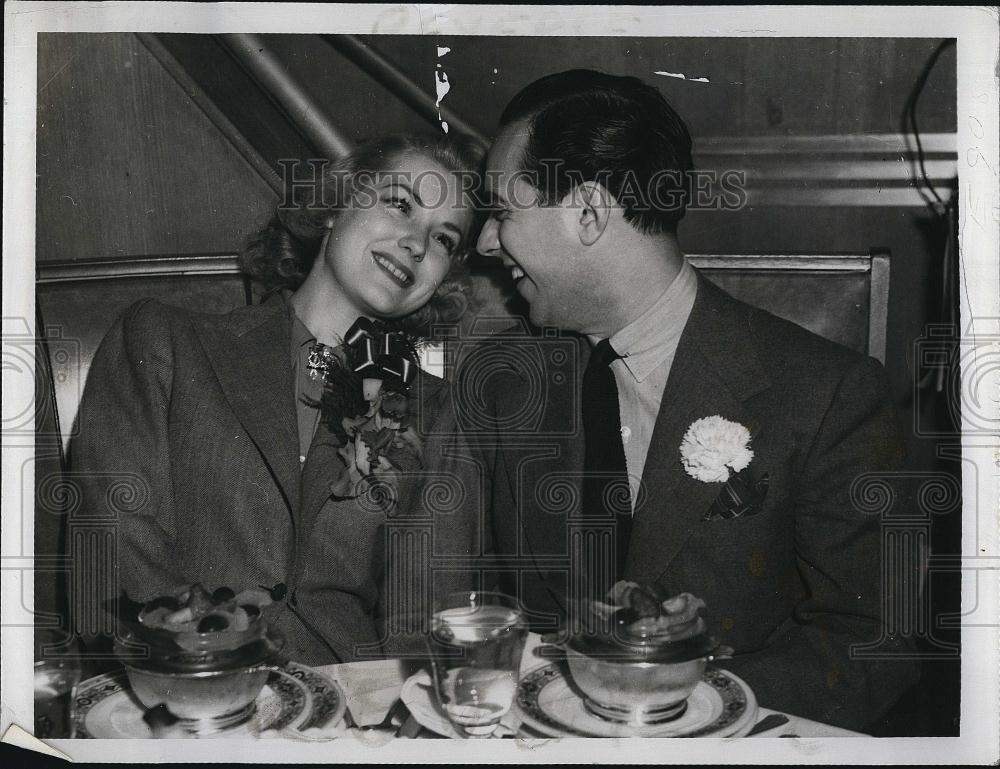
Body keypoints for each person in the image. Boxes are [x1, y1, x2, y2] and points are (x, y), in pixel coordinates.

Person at [469, 69, 920, 731]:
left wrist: (689, 696)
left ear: (589, 212)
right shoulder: (505, 379)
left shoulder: (829, 395)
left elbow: (875, 643)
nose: (484, 240)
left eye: (503, 212)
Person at [69, 133, 486, 665]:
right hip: (184, 690)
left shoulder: (438, 411)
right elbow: (115, 554)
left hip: (348, 718)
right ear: (337, 206)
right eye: (400, 204)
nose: (417, 245)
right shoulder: (162, 342)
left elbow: (424, 621)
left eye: (444, 239)